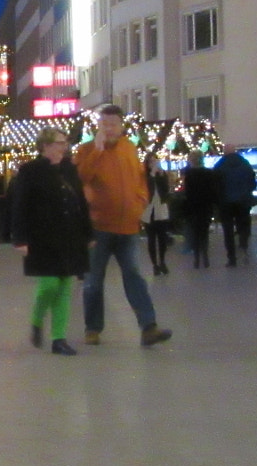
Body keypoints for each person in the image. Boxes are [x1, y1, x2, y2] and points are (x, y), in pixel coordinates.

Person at [73, 106, 170, 347]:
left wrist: (140, 202)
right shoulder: (86, 150)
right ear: (98, 126)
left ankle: (149, 326)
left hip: (128, 227)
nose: (109, 128)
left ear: (121, 126)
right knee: (93, 280)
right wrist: (97, 150)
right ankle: (93, 328)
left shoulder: (129, 148)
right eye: (104, 124)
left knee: (135, 276)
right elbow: (81, 178)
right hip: (99, 227)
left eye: (113, 124)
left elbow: (139, 179)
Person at [10, 127, 92, 355]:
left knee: (66, 286)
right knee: (49, 285)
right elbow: (20, 206)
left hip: (70, 234)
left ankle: (59, 338)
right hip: (42, 236)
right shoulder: (30, 171)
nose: (63, 147)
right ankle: (37, 319)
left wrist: (88, 233)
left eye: (65, 143)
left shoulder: (69, 170)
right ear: (45, 145)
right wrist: (20, 238)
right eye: (59, 143)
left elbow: (80, 202)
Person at [213, 147, 257, 267]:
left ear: (225, 152)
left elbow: (215, 185)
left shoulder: (219, 165)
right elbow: (252, 183)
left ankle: (231, 257)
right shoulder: (245, 164)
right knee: (243, 224)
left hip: (225, 203)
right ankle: (243, 244)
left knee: (228, 230)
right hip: (243, 202)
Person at [179, 159, 217, 268]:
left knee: (195, 232)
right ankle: (205, 255)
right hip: (206, 207)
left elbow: (187, 192)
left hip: (193, 207)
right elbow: (212, 191)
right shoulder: (209, 173)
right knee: (204, 232)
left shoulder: (189, 175)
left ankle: (196, 258)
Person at [142, 167, 173, 277]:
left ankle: (163, 261)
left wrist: (160, 176)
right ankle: (155, 264)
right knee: (151, 238)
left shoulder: (162, 174)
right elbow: (146, 189)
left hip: (161, 208)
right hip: (149, 209)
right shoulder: (144, 175)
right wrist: (152, 175)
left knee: (162, 237)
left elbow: (165, 189)